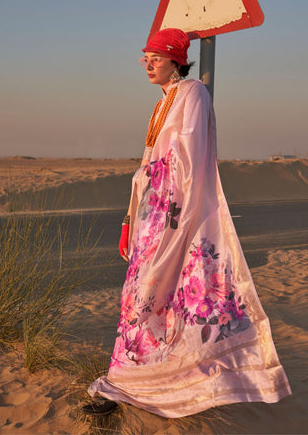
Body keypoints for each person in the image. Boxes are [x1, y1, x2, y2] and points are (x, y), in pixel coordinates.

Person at [82, 28, 291, 417]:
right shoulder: (163, 102)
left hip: (173, 216)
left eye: (156, 58)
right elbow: (148, 167)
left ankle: (152, 382)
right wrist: (131, 221)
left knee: (160, 295)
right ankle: (127, 381)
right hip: (151, 217)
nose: (148, 64)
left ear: (177, 60)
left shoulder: (193, 92)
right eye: (145, 57)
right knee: (137, 298)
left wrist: (172, 223)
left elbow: (192, 160)